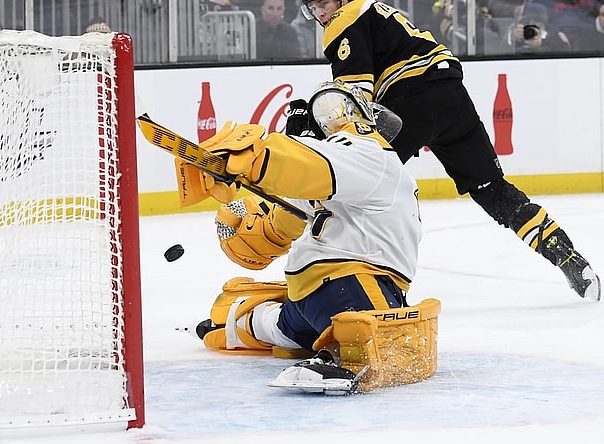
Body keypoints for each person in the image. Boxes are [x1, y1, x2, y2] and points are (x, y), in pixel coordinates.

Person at [293, 0, 600, 300]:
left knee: (355, 183)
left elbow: (352, 100)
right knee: (493, 190)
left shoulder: (345, 17)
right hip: (451, 94)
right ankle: (567, 256)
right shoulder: (377, 10)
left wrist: (311, 132)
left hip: (410, 99)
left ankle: (365, 290)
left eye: (324, 3)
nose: (320, 13)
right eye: (313, 8)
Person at [187, 80, 441, 393]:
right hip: (343, 286)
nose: (328, 121)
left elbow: (299, 181)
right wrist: (242, 213)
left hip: (322, 291)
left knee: (288, 330)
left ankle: (236, 326)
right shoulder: (363, 160)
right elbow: (282, 222)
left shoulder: (367, 156)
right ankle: (328, 353)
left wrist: (259, 159)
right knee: (375, 340)